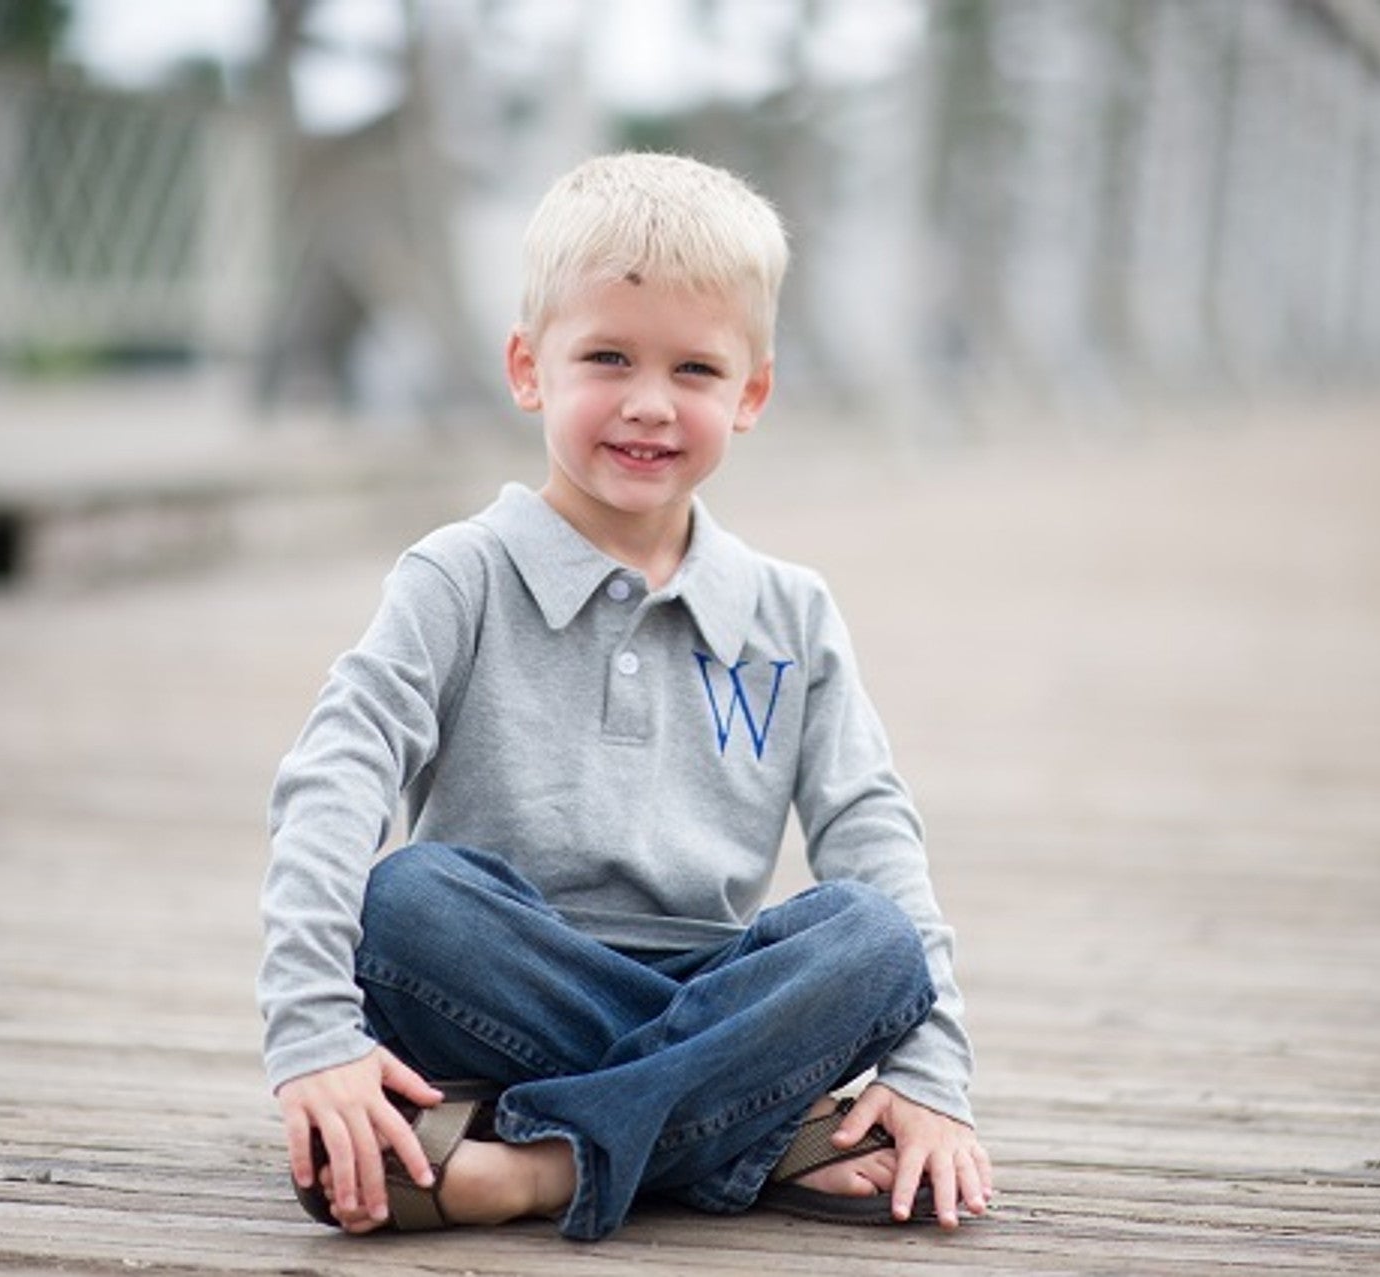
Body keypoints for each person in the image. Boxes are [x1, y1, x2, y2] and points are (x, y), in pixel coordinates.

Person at [258, 151, 991, 1243]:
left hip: (724, 976)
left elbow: (868, 825)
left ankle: (543, 1164)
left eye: (695, 370)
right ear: (527, 367)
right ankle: (750, 1126)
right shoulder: (459, 576)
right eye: (607, 356)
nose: (649, 404)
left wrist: (933, 1075)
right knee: (407, 897)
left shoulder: (789, 610)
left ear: (750, 394)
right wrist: (312, 1032)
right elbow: (337, 775)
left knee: (870, 940)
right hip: (501, 980)